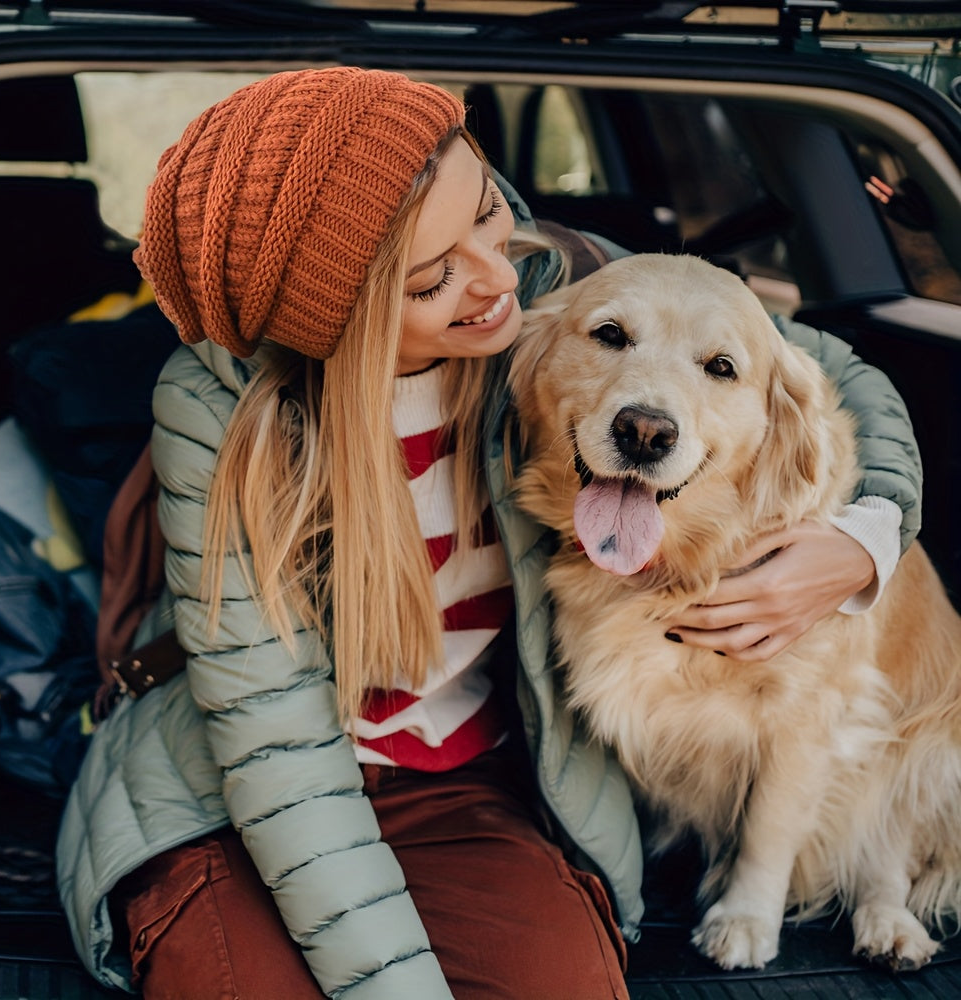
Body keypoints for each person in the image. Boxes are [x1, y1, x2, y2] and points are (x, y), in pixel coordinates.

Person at [56, 68, 921, 999]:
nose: (496, 274)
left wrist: (866, 538)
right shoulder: (218, 411)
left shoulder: (557, 290)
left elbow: (832, 372)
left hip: (471, 777)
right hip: (239, 786)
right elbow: (278, 757)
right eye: (435, 279)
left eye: (484, 209)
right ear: (341, 313)